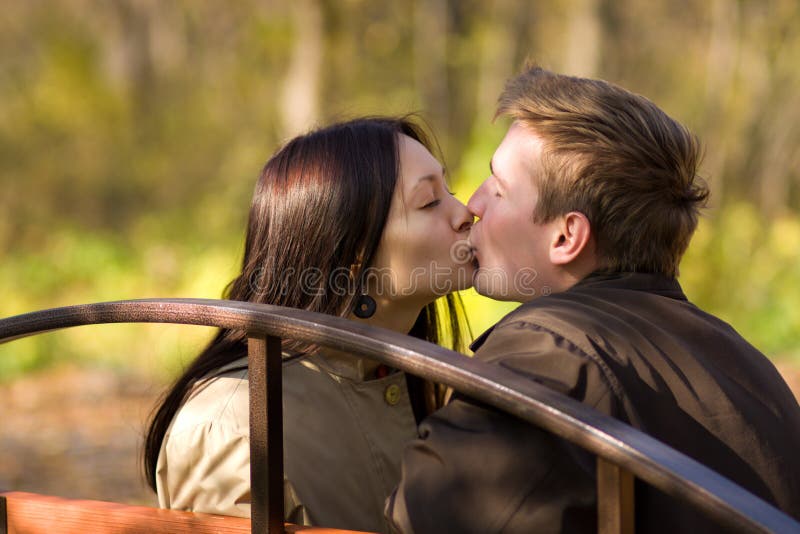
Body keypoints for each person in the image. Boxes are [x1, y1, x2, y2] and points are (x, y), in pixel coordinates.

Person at [385, 66, 800, 533]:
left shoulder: (552, 353)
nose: (472, 205)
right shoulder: (744, 362)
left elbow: (433, 516)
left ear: (567, 237)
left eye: (497, 188)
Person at [143, 117, 474, 533]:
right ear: (353, 252)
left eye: (451, 191)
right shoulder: (234, 428)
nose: (466, 214)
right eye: (429, 202)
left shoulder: (418, 377)